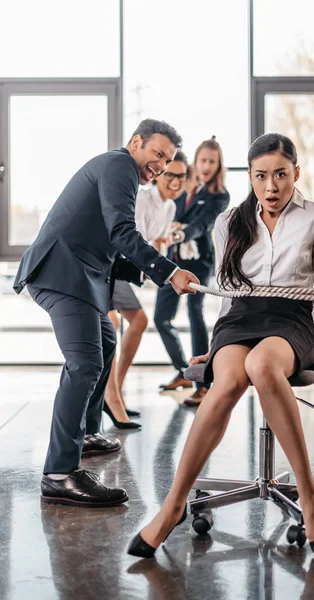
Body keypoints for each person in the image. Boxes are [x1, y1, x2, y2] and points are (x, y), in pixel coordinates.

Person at [128, 133, 314, 561]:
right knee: (225, 381)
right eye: (261, 176)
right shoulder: (230, 222)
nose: (271, 186)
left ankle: (310, 496)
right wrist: (212, 346)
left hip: (291, 319)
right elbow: (226, 291)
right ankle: (172, 507)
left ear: (295, 174)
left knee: (262, 366)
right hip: (240, 317)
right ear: (250, 177)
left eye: (281, 175)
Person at [13, 119, 199, 508]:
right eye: (157, 154)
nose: (161, 165)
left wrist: (154, 272)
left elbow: (109, 240)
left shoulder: (121, 169)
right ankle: (59, 474)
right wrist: (168, 271)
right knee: (84, 364)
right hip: (60, 273)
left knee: (107, 340)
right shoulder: (119, 167)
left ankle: (88, 433)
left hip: (80, 276)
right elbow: (121, 232)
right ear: (136, 143)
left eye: (167, 159)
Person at [104, 151, 189, 427]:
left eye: (181, 176)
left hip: (129, 271)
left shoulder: (171, 208)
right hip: (111, 265)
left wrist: (161, 244)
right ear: (160, 176)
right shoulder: (142, 199)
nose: (176, 181)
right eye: (171, 174)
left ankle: (113, 391)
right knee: (115, 323)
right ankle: (111, 396)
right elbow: (132, 242)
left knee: (137, 322)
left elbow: (154, 244)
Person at [156, 137, 230, 406]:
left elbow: (202, 225)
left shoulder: (219, 195)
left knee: (195, 314)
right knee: (161, 319)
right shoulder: (181, 188)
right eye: (203, 160)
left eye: (212, 161)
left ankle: (202, 384)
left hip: (199, 264)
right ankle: (183, 372)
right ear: (194, 163)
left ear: (218, 164)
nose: (207, 166)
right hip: (173, 263)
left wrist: (181, 233)